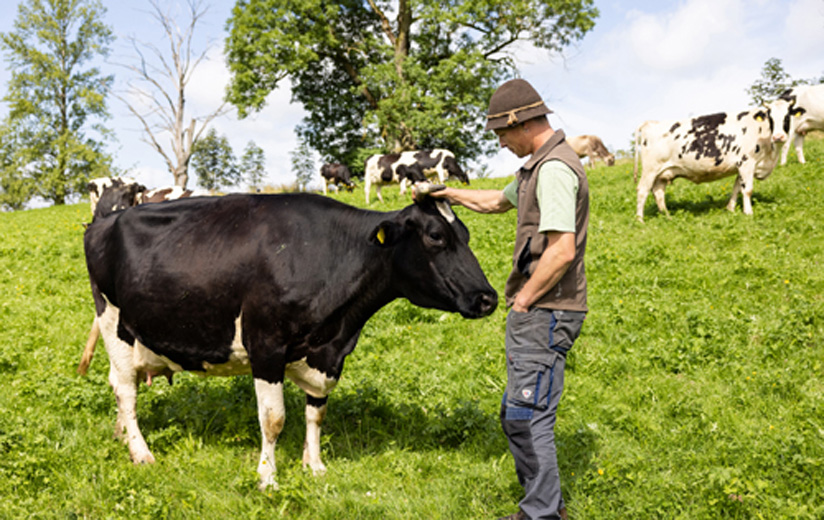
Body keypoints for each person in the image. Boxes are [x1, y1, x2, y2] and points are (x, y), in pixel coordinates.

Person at [422, 78, 589, 520]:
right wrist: (445, 193)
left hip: (546, 310)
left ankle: (543, 515)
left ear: (520, 121)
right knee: (519, 413)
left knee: (527, 416)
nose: (499, 141)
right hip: (542, 311)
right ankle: (542, 507)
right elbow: (496, 201)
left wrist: (524, 300)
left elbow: (562, 250)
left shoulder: (553, 170)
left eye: (501, 132)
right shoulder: (540, 167)